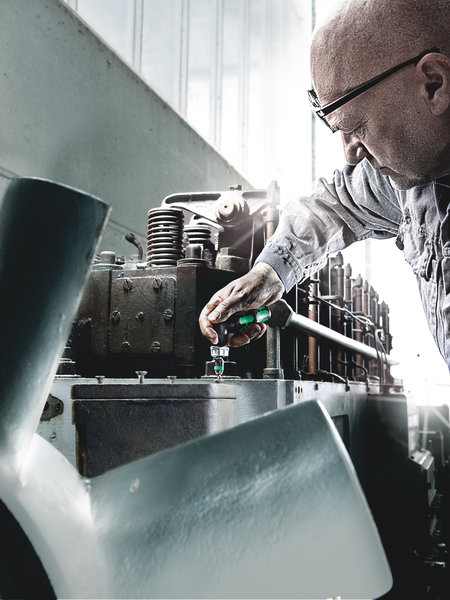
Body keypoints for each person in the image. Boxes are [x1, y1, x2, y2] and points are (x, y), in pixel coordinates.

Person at [199, 0, 450, 371]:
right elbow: (333, 206)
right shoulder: (410, 180)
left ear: (434, 84)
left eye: (356, 125)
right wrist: (269, 274)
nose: (350, 153)